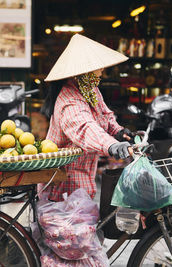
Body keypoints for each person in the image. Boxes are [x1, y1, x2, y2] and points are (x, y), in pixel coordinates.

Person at [40, 34, 133, 202]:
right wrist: (110, 144)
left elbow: (105, 115)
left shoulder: (90, 91)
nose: (102, 69)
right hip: (64, 184)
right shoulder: (69, 101)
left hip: (82, 180)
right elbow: (85, 128)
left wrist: (119, 132)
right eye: (98, 66)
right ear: (85, 71)